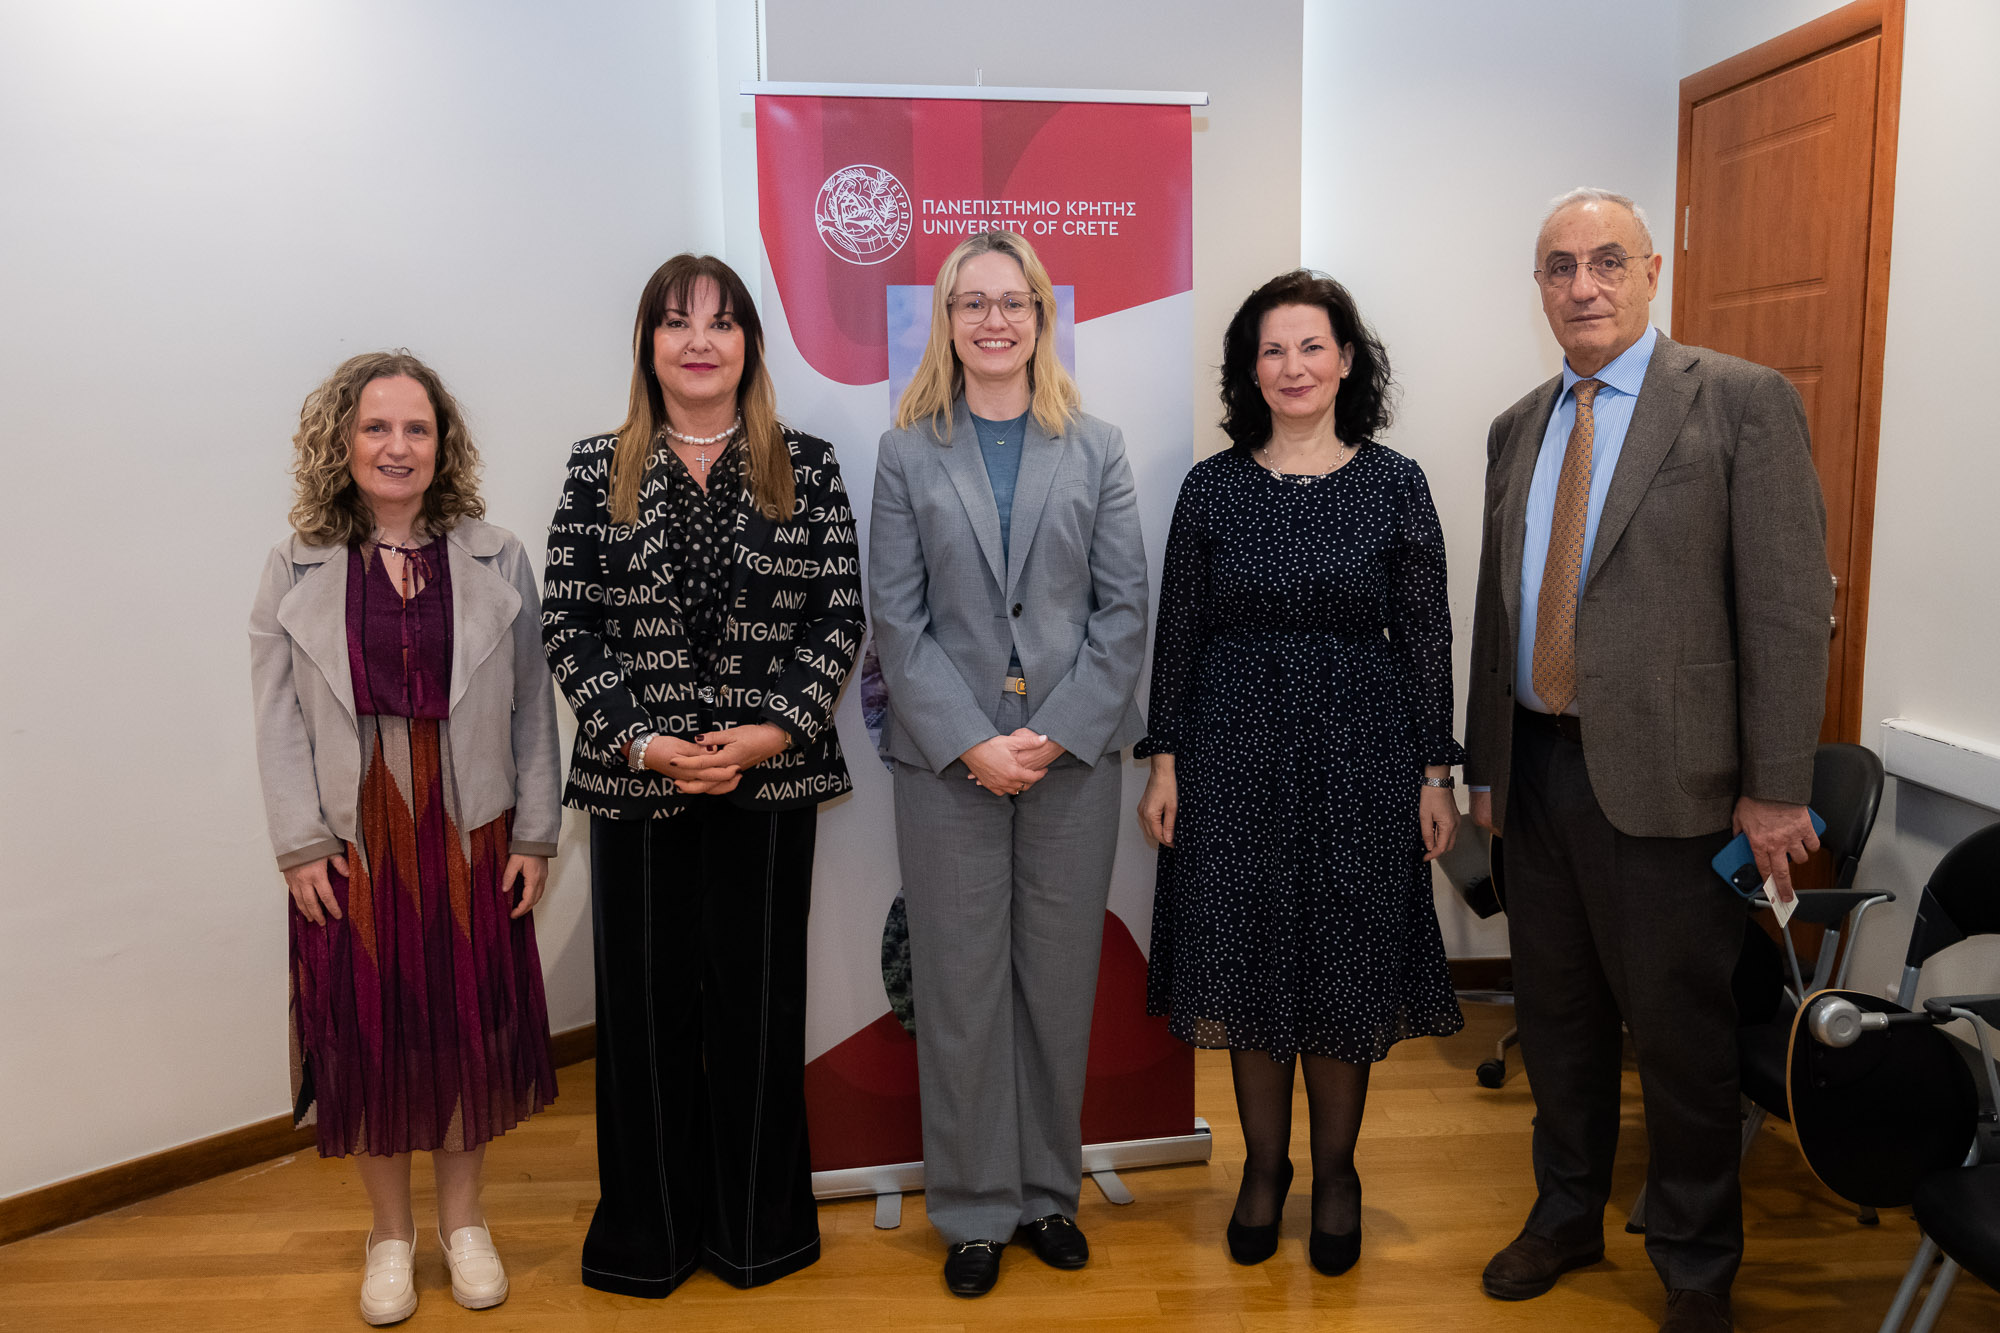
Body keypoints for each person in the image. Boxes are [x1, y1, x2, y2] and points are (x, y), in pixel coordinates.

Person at [1465, 188, 1832, 1333]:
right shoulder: (1516, 425)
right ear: (1538, 287)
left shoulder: (1736, 402)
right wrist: (1483, 766)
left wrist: (1774, 788)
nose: (1582, 286)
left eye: (1605, 261)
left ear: (1650, 271)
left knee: (1677, 1037)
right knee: (1557, 1019)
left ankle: (1692, 1258)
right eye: (1558, 267)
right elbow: (1497, 613)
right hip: (1536, 773)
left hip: (1676, 786)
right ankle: (1565, 1212)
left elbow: (1783, 611)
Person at [543, 254, 862, 1298]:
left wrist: (772, 731)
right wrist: (641, 739)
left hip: (769, 785)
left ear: (748, 346)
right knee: (644, 1019)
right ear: (648, 344)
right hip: (637, 785)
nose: (698, 341)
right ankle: (649, 1237)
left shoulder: (805, 465)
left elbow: (837, 615)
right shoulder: (596, 468)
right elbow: (568, 623)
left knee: (756, 1009)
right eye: (676, 322)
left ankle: (758, 1233)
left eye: (720, 323)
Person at [1137, 270, 1465, 1278]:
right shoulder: (1211, 486)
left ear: (1347, 360)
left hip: (1361, 754)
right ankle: (1263, 1168)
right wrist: (1164, 759)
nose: (1292, 366)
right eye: (1271, 350)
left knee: (1341, 958)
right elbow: (1177, 632)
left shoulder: (1394, 482)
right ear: (1250, 369)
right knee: (1246, 955)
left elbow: (1426, 635)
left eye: (1311, 346)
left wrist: (1434, 771)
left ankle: (1336, 1173)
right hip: (1230, 752)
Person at [249, 351, 562, 1325]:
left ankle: (465, 1224)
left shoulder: (498, 556)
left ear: (442, 444)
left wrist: (536, 831)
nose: (397, 446)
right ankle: (389, 1235)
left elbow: (531, 707)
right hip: (352, 839)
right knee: (368, 1034)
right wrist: (299, 841)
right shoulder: (294, 564)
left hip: (471, 828)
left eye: (416, 428)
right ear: (341, 443)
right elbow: (276, 716)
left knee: (467, 1027)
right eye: (376, 427)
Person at [869, 229, 1148, 1298]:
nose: (994, 320)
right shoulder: (906, 453)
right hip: (947, 764)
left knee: (1057, 982)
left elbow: (1123, 610)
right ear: (947, 322)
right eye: (972, 303)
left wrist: (1055, 730)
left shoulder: (1097, 446)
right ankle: (975, 1208)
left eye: (1013, 301)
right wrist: (972, 740)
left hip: (1072, 758)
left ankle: (1045, 1195)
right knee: (960, 987)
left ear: (1041, 316)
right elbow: (896, 621)